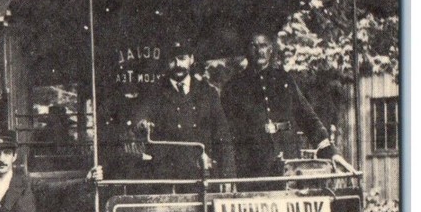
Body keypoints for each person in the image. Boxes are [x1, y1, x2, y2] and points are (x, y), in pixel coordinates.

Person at [222, 30, 343, 177]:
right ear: (246, 50)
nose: (260, 51)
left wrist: (330, 151)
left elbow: (307, 117)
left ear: (271, 49)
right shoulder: (234, 87)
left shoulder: (284, 80)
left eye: (264, 46)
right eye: (254, 46)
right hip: (253, 167)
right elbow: (226, 132)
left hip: (288, 163)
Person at [133, 36, 236, 179]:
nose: (178, 64)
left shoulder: (207, 93)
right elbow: (140, 118)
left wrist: (228, 175)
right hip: (166, 177)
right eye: (172, 60)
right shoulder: (153, 93)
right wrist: (142, 124)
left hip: (202, 174)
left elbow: (223, 135)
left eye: (182, 58)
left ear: (191, 59)